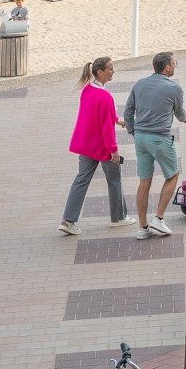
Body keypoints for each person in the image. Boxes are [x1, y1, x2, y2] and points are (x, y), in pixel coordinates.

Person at [59, 57, 128, 236]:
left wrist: (116, 120)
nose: (113, 71)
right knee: (114, 180)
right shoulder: (105, 97)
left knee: (81, 180)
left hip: (86, 145)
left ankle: (68, 220)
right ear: (100, 72)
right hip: (103, 147)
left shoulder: (87, 89)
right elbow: (106, 128)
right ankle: (118, 218)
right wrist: (114, 150)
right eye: (110, 69)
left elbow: (97, 114)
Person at [125, 51, 186, 238]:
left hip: (141, 138)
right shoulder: (174, 88)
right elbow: (180, 115)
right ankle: (159, 219)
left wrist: (133, 131)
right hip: (160, 138)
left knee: (144, 182)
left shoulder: (140, 84)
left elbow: (128, 111)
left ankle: (143, 227)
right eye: (174, 63)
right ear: (167, 67)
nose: (175, 65)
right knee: (173, 174)